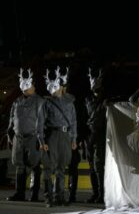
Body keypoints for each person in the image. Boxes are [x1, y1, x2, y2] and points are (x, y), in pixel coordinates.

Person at [38, 66, 78, 207]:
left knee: (62, 167)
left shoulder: (69, 102)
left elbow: (73, 121)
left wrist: (73, 138)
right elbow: (40, 123)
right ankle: (49, 197)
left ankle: (59, 197)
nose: (53, 89)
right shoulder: (46, 103)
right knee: (49, 167)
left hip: (65, 135)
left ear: (61, 87)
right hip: (52, 135)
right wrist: (42, 140)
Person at [6, 68, 44, 202]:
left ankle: (34, 195)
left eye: (31, 85)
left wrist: (42, 141)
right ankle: (19, 193)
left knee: (35, 165)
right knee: (19, 165)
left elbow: (43, 121)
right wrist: (10, 136)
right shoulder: (17, 101)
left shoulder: (40, 101)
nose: (30, 87)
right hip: (18, 138)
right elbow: (11, 120)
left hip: (33, 137)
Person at [83, 68, 107, 204]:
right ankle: (95, 193)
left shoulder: (105, 98)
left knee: (99, 166)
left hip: (101, 134)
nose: (93, 82)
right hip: (89, 135)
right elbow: (83, 117)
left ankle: (102, 194)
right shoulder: (87, 98)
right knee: (91, 165)